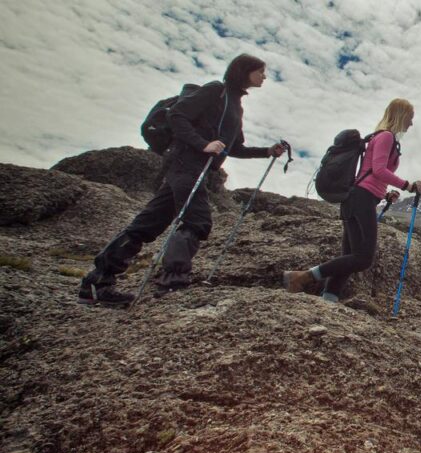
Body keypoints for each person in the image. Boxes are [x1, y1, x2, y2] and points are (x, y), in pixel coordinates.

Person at [77, 54, 287, 306]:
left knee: (148, 224)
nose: (264, 76)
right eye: (261, 71)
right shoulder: (215, 91)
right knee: (196, 220)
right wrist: (203, 144)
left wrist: (267, 151)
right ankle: (173, 283)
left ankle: (96, 283)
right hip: (185, 162)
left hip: (192, 168)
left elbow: (234, 147)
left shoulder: (234, 104)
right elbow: (177, 115)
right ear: (245, 71)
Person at [282, 98, 421, 301]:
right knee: (363, 258)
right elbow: (379, 170)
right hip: (361, 199)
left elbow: (370, 174)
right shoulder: (386, 137)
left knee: (350, 256)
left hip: (357, 198)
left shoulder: (379, 137)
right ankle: (302, 276)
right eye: (410, 117)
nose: (411, 123)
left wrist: (384, 194)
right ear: (401, 115)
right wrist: (408, 185)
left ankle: (329, 299)